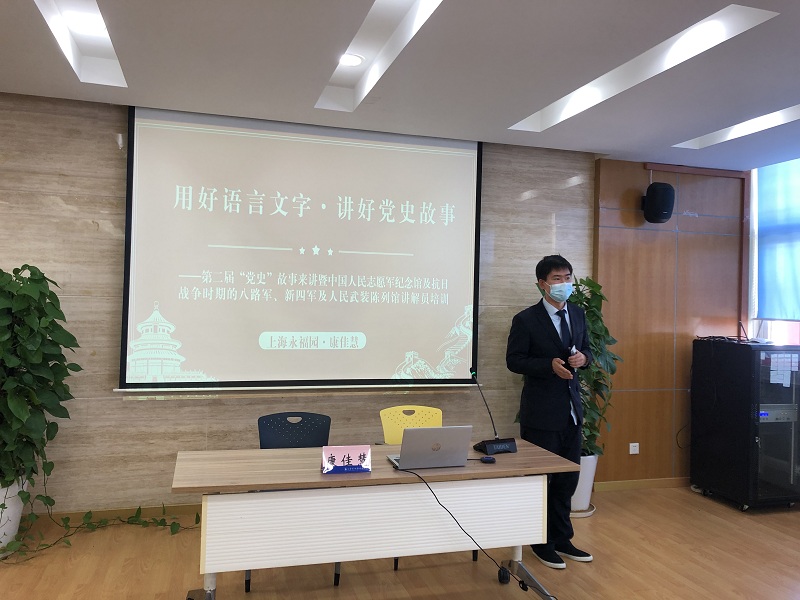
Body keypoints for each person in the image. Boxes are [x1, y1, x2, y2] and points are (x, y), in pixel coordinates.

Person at [506, 254, 594, 569]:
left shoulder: (578, 314)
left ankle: (562, 539)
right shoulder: (526, 319)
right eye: (557, 279)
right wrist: (548, 365)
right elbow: (514, 360)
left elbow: (587, 350)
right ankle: (541, 543)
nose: (564, 284)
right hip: (541, 415)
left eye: (568, 277)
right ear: (542, 284)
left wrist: (584, 359)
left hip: (571, 412)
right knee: (543, 480)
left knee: (567, 480)